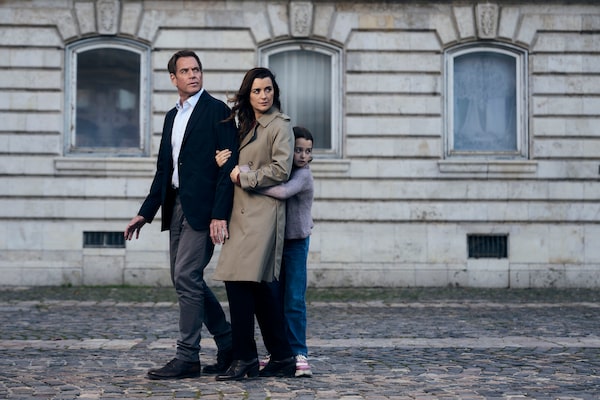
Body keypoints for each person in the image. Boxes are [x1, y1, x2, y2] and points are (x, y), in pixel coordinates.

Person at [123, 50, 238, 380]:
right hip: (175, 205)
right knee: (185, 278)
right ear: (173, 78)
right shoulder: (172, 116)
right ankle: (229, 343)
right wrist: (145, 213)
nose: (193, 75)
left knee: (187, 276)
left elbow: (228, 167)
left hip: (204, 210)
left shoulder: (218, 111)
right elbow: (165, 169)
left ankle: (187, 356)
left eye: (196, 69)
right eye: (185, 71)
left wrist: (220, 215)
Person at [212, 67, 296, 381]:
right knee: (258, 288)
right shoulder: (245, 125)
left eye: (268, 89)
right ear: (248, 95)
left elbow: (281, 169)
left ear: (275, 92)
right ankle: (283, 357)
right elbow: (236, 163)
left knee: (238, 282)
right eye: (257, 91)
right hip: (240, 213)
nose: (263, 96)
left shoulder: (280, 125)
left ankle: (245, 357)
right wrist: (225, 163)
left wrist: (242, 177)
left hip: (262, 213)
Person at [215, 126, 314, 377]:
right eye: (298, 150)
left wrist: (247, 182)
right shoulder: (279, 171)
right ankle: (278, 351)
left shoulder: (302, 175)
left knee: (294, 299)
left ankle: (298, 351)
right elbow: (248, 169)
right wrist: (230, 166)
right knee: (273, 298)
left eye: (308, 151)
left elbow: (282, 192)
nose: (303, 156)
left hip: (296, 243)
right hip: (274, 241)